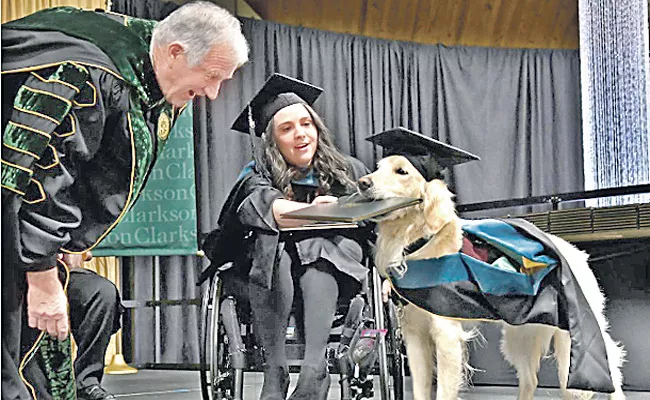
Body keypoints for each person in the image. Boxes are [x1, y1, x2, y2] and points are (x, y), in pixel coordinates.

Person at [1, 2, 249, 399]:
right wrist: (42, 271)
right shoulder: (86, 71)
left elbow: (86, 170)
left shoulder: (146, 64)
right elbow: (35, 171)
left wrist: (65, 245)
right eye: (212, 76)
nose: (213, 93)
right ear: (176, 53)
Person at [208, 73, 371, 400]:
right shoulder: (256, 175)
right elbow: (269, 211)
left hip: (336, 273)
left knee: (318, 250)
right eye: (287, 128)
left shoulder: (349, 171)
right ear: (272, 140)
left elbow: (377, 226)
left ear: (317, 128)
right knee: (274, 243)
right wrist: (321, 214)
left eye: (306, 124)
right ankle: (275, 371)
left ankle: (314, 371)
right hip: (268, 277)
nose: (300, 134)